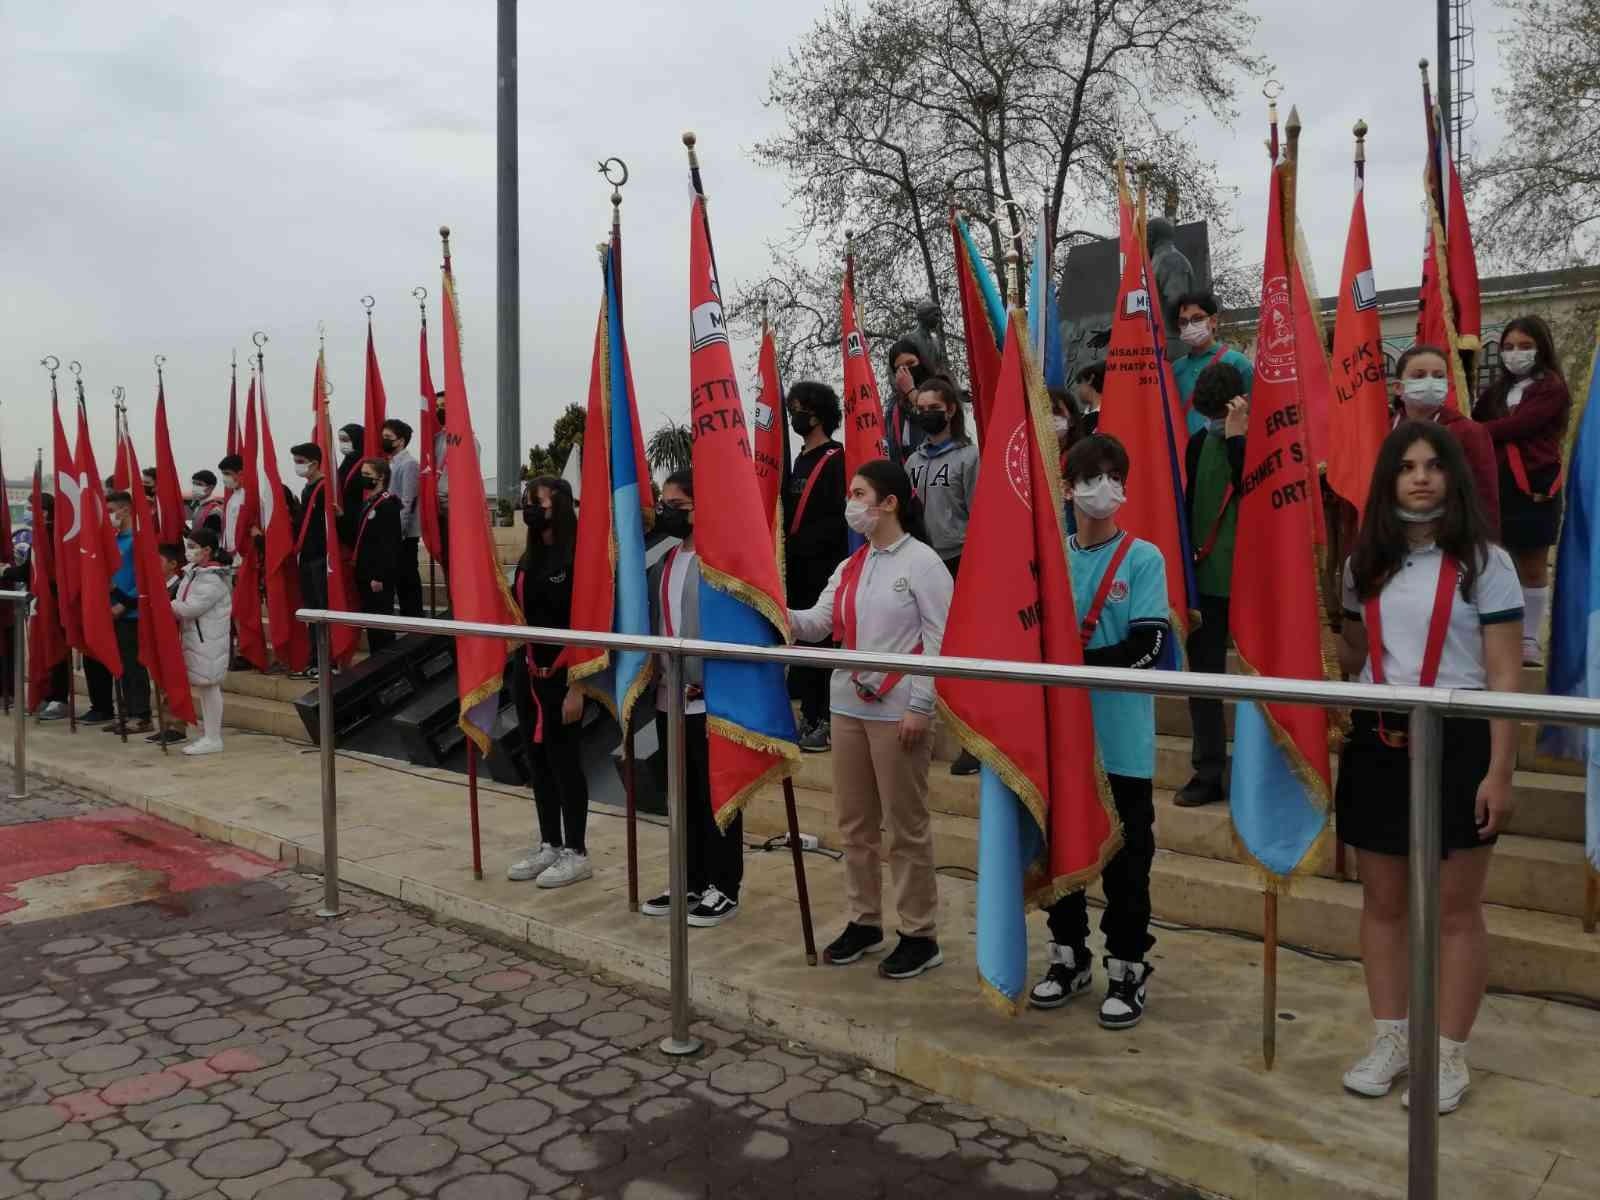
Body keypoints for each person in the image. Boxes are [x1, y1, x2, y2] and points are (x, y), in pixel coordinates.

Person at [1336, 420, 1521, 1113]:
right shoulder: (1363, 565)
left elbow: (1505, 677)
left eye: (1433, 465)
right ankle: (1391, 1039)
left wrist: (1501, 771)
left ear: (1452, 478)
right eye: (1406, 466)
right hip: (1378, 743)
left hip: (1460, 745)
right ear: (1387, 481)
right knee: (1382, 906)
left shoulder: (1485, 562)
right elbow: (1353, 657)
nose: (1420, 476)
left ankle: (1446, 1053)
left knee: (1454, 912)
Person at [788, 459, 952, 980]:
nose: (851, 502)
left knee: (906, 827)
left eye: (860, 494)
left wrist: (920, 705)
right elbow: (818, 623)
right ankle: (864, 920)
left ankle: (919, 933)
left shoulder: (923, 563)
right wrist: (771, 604)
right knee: (855, 826)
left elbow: (940, 640)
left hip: (898, 712)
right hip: (847, 708)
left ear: (889, 504)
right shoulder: (851, 564)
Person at [1028, 434, 1169, 1027]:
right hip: (1063, 742)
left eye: (1115, 476)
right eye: (1092, 476)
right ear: (1067, 488)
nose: (1104, 487)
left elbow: (1150, 645)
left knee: (1127, 860)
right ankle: (1068, 956)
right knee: (1062, 851)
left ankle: (1128, 965)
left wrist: (1075, 667)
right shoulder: (1049, 558)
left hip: (1121, 742)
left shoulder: (1144, 558)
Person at [642, 470, 744, 927]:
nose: (665, 510)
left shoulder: (721, 561)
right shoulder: (664, 560)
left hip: (712, 699)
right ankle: (687, 877)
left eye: (675, 503)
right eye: (663, 502)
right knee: (679, 795)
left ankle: (723, 885)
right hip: (670, 697)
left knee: (715, 794)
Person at [1472, 316, 1572, 665]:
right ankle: (1496, 633)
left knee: (1531, 562)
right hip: (1495, 484)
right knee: (1497, 560)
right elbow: (1474, 421)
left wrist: (1480, 431)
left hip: (1535, 484)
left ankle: (1529, 639)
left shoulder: (1552, 387)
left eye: (1525, 346)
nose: (1516, 353)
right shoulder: (1495, 392)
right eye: (1509, 347)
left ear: (1541, 347)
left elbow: (1520, 425)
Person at [506, 477, 591, 888]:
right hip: (527, 672)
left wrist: (578, 685)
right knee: (536, 762)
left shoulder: (578, 557)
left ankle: (577, 850)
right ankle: (549, 843)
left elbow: (587, 625)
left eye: (535, 502)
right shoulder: (528, 558)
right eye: (526, 503)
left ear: (557, 505)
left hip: (564, 675)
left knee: (565, 763)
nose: (529, 509)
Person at [1176, 362, 1250, 807]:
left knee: (1262, 681)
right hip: (1206, 582)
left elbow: (1253, 486)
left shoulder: (1258, 439)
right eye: (1207, 417)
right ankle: (1208, 770)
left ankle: (1262, 771)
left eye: (1219, 417)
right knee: (1203, 683)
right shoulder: (1199, 442)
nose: (1213, 426)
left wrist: (1240, 437)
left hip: (1251, 582)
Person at [903, 376, 981, 778]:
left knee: (963, 652)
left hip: (960, 559)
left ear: (950, 410)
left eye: (935, 407)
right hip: (920, 562)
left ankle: (973, 740)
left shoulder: (969, 458)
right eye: (921, 407)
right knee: (927, 647)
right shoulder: (913, 462)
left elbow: (982, 517)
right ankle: (927, 724)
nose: (926, 414)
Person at [783, 381, 850, 754]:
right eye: (792, 408)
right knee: (801, 642)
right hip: (795, 567)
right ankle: (807, 713)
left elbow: (836, 518)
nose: (795, 415)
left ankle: (823, 718)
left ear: (819, 413)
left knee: (822, 642)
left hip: (823, 566)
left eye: (801, 408)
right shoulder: (796, 462)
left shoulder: (837, 458)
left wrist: (805, 544)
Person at [1389, 344, 1500, 538]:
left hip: (1450, 537)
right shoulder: (1382, 429)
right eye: (1419, 375)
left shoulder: (1469, 432)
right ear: (1398, 387)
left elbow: (1485, 495)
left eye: (1438, 376)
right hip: (1392, 536)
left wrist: (1486, 546)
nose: (1430, 382)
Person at [86, 491, 152, 735]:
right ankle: (125, 712)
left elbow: (142, 579)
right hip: (110, 611)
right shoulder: (113, 540)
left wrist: (124, 605)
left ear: (125, 510)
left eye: (111, 510)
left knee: (134, 666)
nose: (108, 515)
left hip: (129, 613)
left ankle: (142, 715)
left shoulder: (138, 540)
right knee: (120, 666)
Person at [171, 528, 232, 756]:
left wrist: (165, 605)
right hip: (197, 638)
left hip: (208, 639)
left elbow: (190, 608)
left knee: (210, 687)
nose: (189, 552)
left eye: (193, 547)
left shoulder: (213, 578)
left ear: (207, 550)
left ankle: (213, 737)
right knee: (206, 688)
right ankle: (209, 735)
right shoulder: (195, 573)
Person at [1170, 292, 1254, 440]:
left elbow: (1255, 410)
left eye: (1197, 319)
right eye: (1183, 322)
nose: (1189, 326)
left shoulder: (1238, 362)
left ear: (1213, 320)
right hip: (1183, 453)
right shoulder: (1175, 369)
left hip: (1224, 451)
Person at [352, 458, 403, 654]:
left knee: (381, 625)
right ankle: (376, 661)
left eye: (367, 475)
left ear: (381, 477)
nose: (363, 478)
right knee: (372, 624)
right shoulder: (368, 502)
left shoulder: (387, 504)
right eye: (362, 474)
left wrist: (379, 575)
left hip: (378, 576)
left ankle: (386, 666)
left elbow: (389, 544)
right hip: (365, 572)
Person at [289, 443, 329, 680]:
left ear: (314, 462)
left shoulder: (325, 489)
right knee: (311, 612)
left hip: (321, 559)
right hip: (307, 557)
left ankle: (327, 661)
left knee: (322, 612)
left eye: (300, 460)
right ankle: (314, 659)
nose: (297, 465)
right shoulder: (307, 489)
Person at [382, 418, 424, 618]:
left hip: (404, 535)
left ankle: (415, 622)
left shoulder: (409, 465)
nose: (384, 440)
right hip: (392, 533)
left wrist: (398, 532)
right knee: (399, 582)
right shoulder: (390, 464)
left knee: (408, 582)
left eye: (388, 437)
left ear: (400, 440)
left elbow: (408, 502)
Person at [883, 340, 932, 462]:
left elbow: (930, 416)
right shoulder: (893, 405)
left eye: (911, 363)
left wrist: (910, 389)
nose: (906, 371)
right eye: (900, 368)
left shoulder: (939, 388)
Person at [217, 455, 247, 559]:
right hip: (230, 554)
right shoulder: (233, 496)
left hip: (242, 553)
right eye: (223, 474)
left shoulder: (247, 498)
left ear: (240, 473)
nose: (225, 477)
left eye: (227, 474)